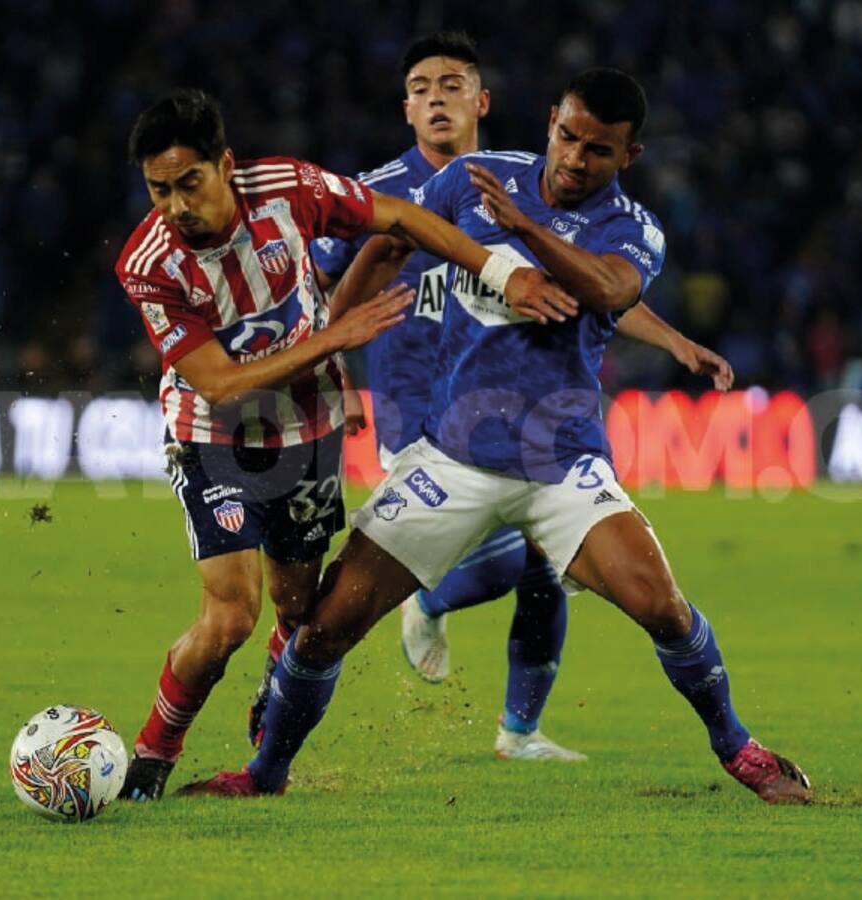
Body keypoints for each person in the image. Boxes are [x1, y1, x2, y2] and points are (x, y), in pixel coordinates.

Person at [181, 69, 812, 804]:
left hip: (561, 464)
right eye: (568, 137)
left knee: (663, 607)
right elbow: (391, 243)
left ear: (629, 156)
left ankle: (739, 750)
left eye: (598, 150)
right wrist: (330, 342)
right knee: (324, 629)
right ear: (551, 121)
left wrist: (522, 229)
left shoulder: (631, 228)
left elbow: (608, 291)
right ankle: (263, 776)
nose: (575, 158)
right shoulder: (475, 180)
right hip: (451, 460)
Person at [113, 88, 573, 801]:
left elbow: (403, 218)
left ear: (225, 166)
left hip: (309, 429)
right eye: (159, 190)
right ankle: (153, 755)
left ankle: (276, 691)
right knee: (231, 616)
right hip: (215, 437)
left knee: (299, 611)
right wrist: (335, 338)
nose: (177, 206)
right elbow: (220, 385)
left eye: (189, 183)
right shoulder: (148, 263)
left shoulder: (288, 189)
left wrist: (498, 271)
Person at [288, 32, 734, 764]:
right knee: (492, 568)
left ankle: (519, 731)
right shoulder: (386, 189)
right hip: (419, 409)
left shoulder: (500, 182)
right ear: (406, 108)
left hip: (523, 418)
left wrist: (671, 339)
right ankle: (413, 606)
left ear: (483, 101)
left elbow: (591, 289)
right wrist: (323, 357)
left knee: (542, 571)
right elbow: (329, 272)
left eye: (453, 85)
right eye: (422, 88)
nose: (438, 99)